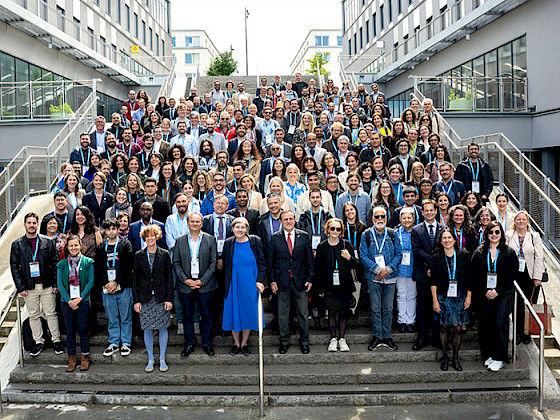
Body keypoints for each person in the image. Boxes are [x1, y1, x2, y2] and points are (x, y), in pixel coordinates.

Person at [10, 212, 64, 357]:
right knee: (34, 315)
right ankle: (38, 341)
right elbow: (14, 267)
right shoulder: (17, 245)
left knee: (51, 314)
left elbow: (55, 264)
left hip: (47, 285)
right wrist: (20, 287)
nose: (32, 225)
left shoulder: (47, 242)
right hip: (29, 287)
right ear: (24, 225)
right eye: (29, 223)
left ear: (37, 224)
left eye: (34, 223)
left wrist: (55, 283)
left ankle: (56, 341)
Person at [471, 221, 518, 372]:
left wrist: (497, 290)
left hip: (504, 293)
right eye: (491, 232)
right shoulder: (479, 252)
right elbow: (475, 274)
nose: (494, 235)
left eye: (497, 232)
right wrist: (485, 290)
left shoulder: (508, 252)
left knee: (499, 322)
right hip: (484, 293)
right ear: (486, 234)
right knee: (485, 324)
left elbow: (512, 274)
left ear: (501, 234)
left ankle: (500, 357)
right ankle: (488, 355)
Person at [268, 210, 314, 354]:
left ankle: (304, 342)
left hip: (300, 282)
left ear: (294, 220)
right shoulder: (275, 238)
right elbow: (270, 262)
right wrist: (272, 281)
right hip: (282, 282)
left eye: (291, 219)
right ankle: (284, 342)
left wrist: (310, 278)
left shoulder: (304, 236)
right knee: (282, 314)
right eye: (285, 219)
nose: (288, 221)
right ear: (281, 222)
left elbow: (309, 260)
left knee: (302, 314)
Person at [173, 212, 217, 357]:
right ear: (187, 223)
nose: (195, 224)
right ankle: (189, 343)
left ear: (202, 224)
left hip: (205, 284)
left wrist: (202, 280)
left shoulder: (210, 239)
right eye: (192, 221)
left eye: (198, 222)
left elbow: (213, 263)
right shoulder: (180, 240)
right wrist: (186, 280)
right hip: (186, 285)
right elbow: (176, 263)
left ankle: (207, 343)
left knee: (206, 316)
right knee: (187, 316)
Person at [222, 218, 266, 355]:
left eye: (242, 227)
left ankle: (244, 342)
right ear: (232, 229)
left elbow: (262, 263)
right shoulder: (229, 243)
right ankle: (236, 343)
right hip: (233, 283)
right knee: (234, 311)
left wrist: (260, 280)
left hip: (250, 282)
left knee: (248, 312)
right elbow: (225, 264)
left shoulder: (255, 241)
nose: (240, 230)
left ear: (247, 228)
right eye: (237, 227)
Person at [360, 207, 402, 351]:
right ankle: (377, 336)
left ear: (386, 217)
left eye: (382, 216)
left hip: (389, 277)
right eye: (376, 216)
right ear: (372, 218)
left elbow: (399, 254)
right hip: (373, 277)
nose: (379, 219)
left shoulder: (392, 233)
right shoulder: (366, 234)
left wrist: (387, 270)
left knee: (388, 308)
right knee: (376, 309)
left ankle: (387, 336)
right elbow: (363, 255)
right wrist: (378, 270)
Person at [133, 225, 173, 373]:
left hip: (161, 297)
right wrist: (136, 300)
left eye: (152, 236)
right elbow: (135, 280)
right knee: (147, 328)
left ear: (157, 236)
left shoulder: (165, 254)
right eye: (147, 236)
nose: (150, 239)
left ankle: (162, 358)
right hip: (145, 298)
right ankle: (150, 358)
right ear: (144, 238)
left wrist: (169, 299)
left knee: (163, 327)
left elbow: (169, 278)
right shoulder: (138, 255)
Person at [430, 228, 472, 371]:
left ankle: (455, 357)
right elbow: (433, 281)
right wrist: (435, 301)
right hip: (442, 296)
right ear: (441, 241)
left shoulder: (464, 255)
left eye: (449, 237)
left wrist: (469, 297)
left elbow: (468, 278)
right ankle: (445, 358)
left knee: (458, 328)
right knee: (443, 326)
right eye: (444, 238)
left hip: (459, 297)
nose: (447, 240)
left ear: (454, 240)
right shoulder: (436, 257)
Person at [314, 218, 357, 352]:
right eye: (332, 228)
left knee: (343, 312)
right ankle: (333, 338)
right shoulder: (322, 246)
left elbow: (356, 264)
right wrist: (319, 288)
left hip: (344, 285)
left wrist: (349, 257)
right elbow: (318, 269)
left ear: (341, 231)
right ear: (327, 230)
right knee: (331, 312)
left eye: (338, 229)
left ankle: (342, 339)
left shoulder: (346, 245)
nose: (335, 231)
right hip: (328, 285)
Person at [94, 219, 134, 357]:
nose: (111, 231)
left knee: (126, 316)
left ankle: (126, 343)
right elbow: (98, 268)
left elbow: (128, 266)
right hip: (107, 288)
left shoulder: (125, 244)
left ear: (118, 229)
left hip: (123, 286)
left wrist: (116, 282)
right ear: (105, 231)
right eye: (108, 229)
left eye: (113, 228)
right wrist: (107, 283)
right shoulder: (100, 247)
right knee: (112, 317)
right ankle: (114, 342)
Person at [505, 210, 544, 345]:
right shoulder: (509, 235)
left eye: (523, 219)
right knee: (516, 305)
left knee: (528, 304)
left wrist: (537, 277)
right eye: (518, 219)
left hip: (530, 275)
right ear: (515, 221)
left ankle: (527, 332)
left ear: (527, 222)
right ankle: (517, 332)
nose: (521, 222)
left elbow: (539, 257)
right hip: (514, 275)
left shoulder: (534, 236)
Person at [57, 234, 95, 371]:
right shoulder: (61, 264)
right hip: (66, 302)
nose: (74, 247)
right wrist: (69, 300)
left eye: (76, 245)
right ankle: (72, 358)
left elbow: (91, 282)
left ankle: (85, 357)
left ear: (80, 245)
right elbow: (60, 284)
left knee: (83, 330)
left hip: (83, 300)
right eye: (71, 245)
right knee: (70, 331)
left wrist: (80, 298)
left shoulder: (88, 262)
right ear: (67, 247)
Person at [411, 199, 445, 350]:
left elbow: (445, 248)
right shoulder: (416, 230)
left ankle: (438, 338)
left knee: (437, 305)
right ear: (422, 212)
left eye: (432, 210)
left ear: (436, 211)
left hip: (439, 274)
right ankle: (422, 337)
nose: (429, 213)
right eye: (426, 210)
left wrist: (435, 263)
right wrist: (431, 260)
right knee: (422, 306)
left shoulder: (444, 229)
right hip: (423, 272)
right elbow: (416, 250)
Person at [396, 208, 416, 333]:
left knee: (412, 295)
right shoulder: (396, 232)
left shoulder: (417, 232)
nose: (407, 220)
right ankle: (402, 320)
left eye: (409, 218)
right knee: (401, 295)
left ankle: (411, 321)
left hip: (413, 268)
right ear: (400, 219)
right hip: (399, 269)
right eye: (404, 218)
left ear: (413, 219)